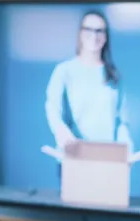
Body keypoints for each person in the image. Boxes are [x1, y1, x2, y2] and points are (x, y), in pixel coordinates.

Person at [45, 10, 134, 154]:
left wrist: (126, 150)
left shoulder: (113, 75)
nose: (94, 35)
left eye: (99, 31)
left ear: (105, 37)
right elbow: (53, 109)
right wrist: (64, 136)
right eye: (88, 29)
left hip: (107, 158)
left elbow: (121, 122)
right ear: (80, 33)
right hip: (73, 156)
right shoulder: (64, 71)